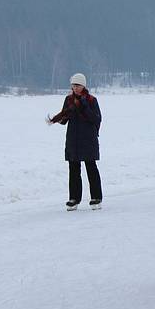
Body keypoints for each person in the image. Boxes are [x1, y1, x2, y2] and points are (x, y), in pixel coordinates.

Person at [46, 73, 102, 211]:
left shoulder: (91, 100)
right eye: (73, 85)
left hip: (88, 139)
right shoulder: (69, 100)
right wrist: (57, 119)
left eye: (77, 85)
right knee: (73, 169)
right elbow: (65, 118)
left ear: (83, 86)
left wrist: (84, 106)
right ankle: (74, 198)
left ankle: (96, 198)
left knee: (91, 167)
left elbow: (96, 119)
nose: (75, 88)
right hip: (73, 139)